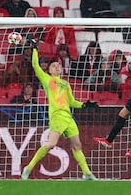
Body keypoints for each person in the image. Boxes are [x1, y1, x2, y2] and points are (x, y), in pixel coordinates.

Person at [21, 40, 98, 180]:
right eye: (54, 66)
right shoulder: (47, 79)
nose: (57, 67)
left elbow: (72, 102)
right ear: (49, 70)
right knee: (51, 144)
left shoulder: (66, 84)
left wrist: (85, 105)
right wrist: (35, 50)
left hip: (68, 117)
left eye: (58, 66)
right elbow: (35, 65)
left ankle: (87, 173)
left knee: (77, 145)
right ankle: (28, 168)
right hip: (57, 116)